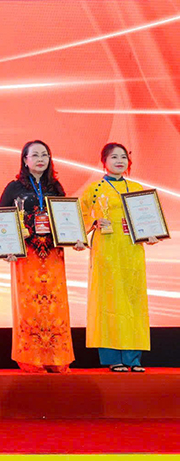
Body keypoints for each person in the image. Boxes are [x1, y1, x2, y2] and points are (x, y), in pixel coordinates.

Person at [0, 140, 80, 373]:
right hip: (27, 255)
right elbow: (1, 219)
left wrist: (75, 237)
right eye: (35, 155)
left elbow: (66, 218)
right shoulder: (14, 187)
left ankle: (57, 357)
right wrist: (7, 247)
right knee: (29, 306)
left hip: (53, 254)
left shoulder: (56, 187)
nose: (40, 159)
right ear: (25, 160)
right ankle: (31, 358)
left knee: (55, 306)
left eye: (45, 154)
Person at [79, 142, 158, 372]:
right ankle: (113, 357)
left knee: (133, 301)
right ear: (104, 161)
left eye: (123, 157)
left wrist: (151, 233)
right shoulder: (94, 189)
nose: (120, 161)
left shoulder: (136, 187)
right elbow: (80, 215)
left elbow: (146, 217)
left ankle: (133, 359)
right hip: (106, 250)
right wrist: (94, 222)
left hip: (132, 250)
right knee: (108, 301)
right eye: (114, 157)